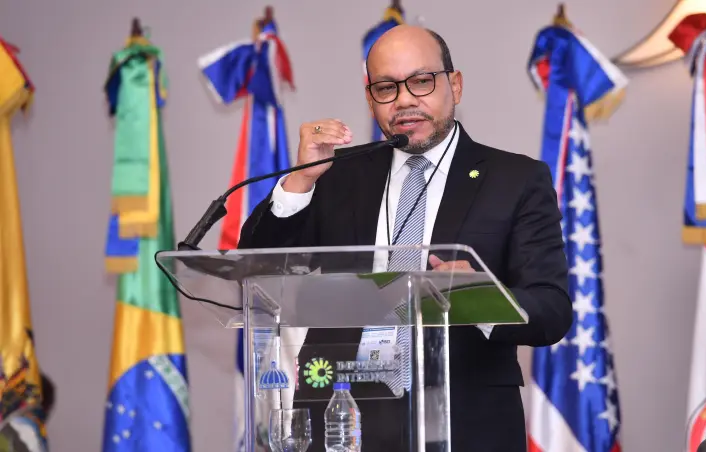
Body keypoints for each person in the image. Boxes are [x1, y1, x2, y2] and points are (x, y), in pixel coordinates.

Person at [238, 25, 572, 451]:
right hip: (340, 418)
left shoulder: (516, 179)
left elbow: (552, 310)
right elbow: (255, 266)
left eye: (421, 81)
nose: (404, 100)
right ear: (370, 98)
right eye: (386, 87)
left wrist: (481, 298)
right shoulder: (336, 174)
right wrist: (301, 180)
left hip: (465, 421)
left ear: (455, 84)